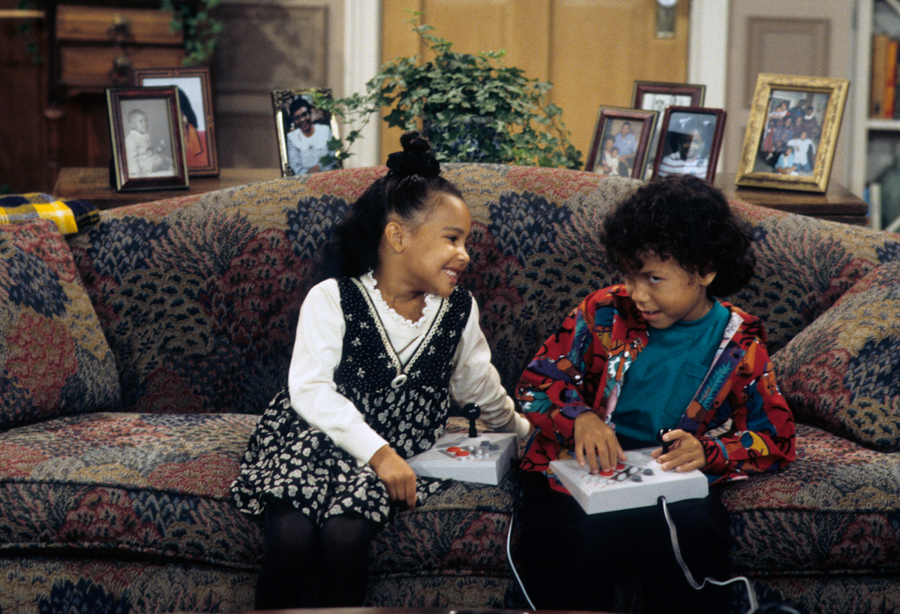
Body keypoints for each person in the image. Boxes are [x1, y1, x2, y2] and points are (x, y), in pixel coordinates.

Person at [230, 131, 531, 610]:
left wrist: (526, 432)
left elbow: (479, 386)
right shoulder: (334, 297)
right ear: (397, 236)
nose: (465, 254)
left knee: (345, 535)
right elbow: (310, 390)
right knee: (291, 534)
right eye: (452, 239)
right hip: (315, 437)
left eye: (466, 242)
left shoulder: (458, 309)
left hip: (397, 447)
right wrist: (380, 453)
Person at [515, 174, 796, 614]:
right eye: (629, 275)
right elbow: (535, 384)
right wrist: (580, 419)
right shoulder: (602, 311)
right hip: (575, 471)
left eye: (653, 278)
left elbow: (776, 436)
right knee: (568, 538)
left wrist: (710, 451)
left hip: (662, 480)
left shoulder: (740, 344)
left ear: (705, 270)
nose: (637, 294)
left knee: (694, 528)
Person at [286, 96, 336, 175]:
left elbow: (333, 158)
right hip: (306, 180)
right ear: (294, 121)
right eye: (297, 118)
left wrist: (320, 169)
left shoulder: (325, 130)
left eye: (304, 114)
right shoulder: (292, 138)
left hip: (328, 176)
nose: (302, 120)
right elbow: (295, 166)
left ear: (310, 113)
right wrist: (309, 173)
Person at [124, 109, 172, 177]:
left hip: (149, 160)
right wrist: (135, 172)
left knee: (166, 158)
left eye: (145, 120)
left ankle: (170, 167)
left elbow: (148, 151)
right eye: (141, 121)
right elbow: (131, 157)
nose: (145, 123)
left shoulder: (145, 136)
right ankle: (168, 168)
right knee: (161, 160)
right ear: (132, 125)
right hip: (143, 165)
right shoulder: (131, 139)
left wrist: (159, 149)